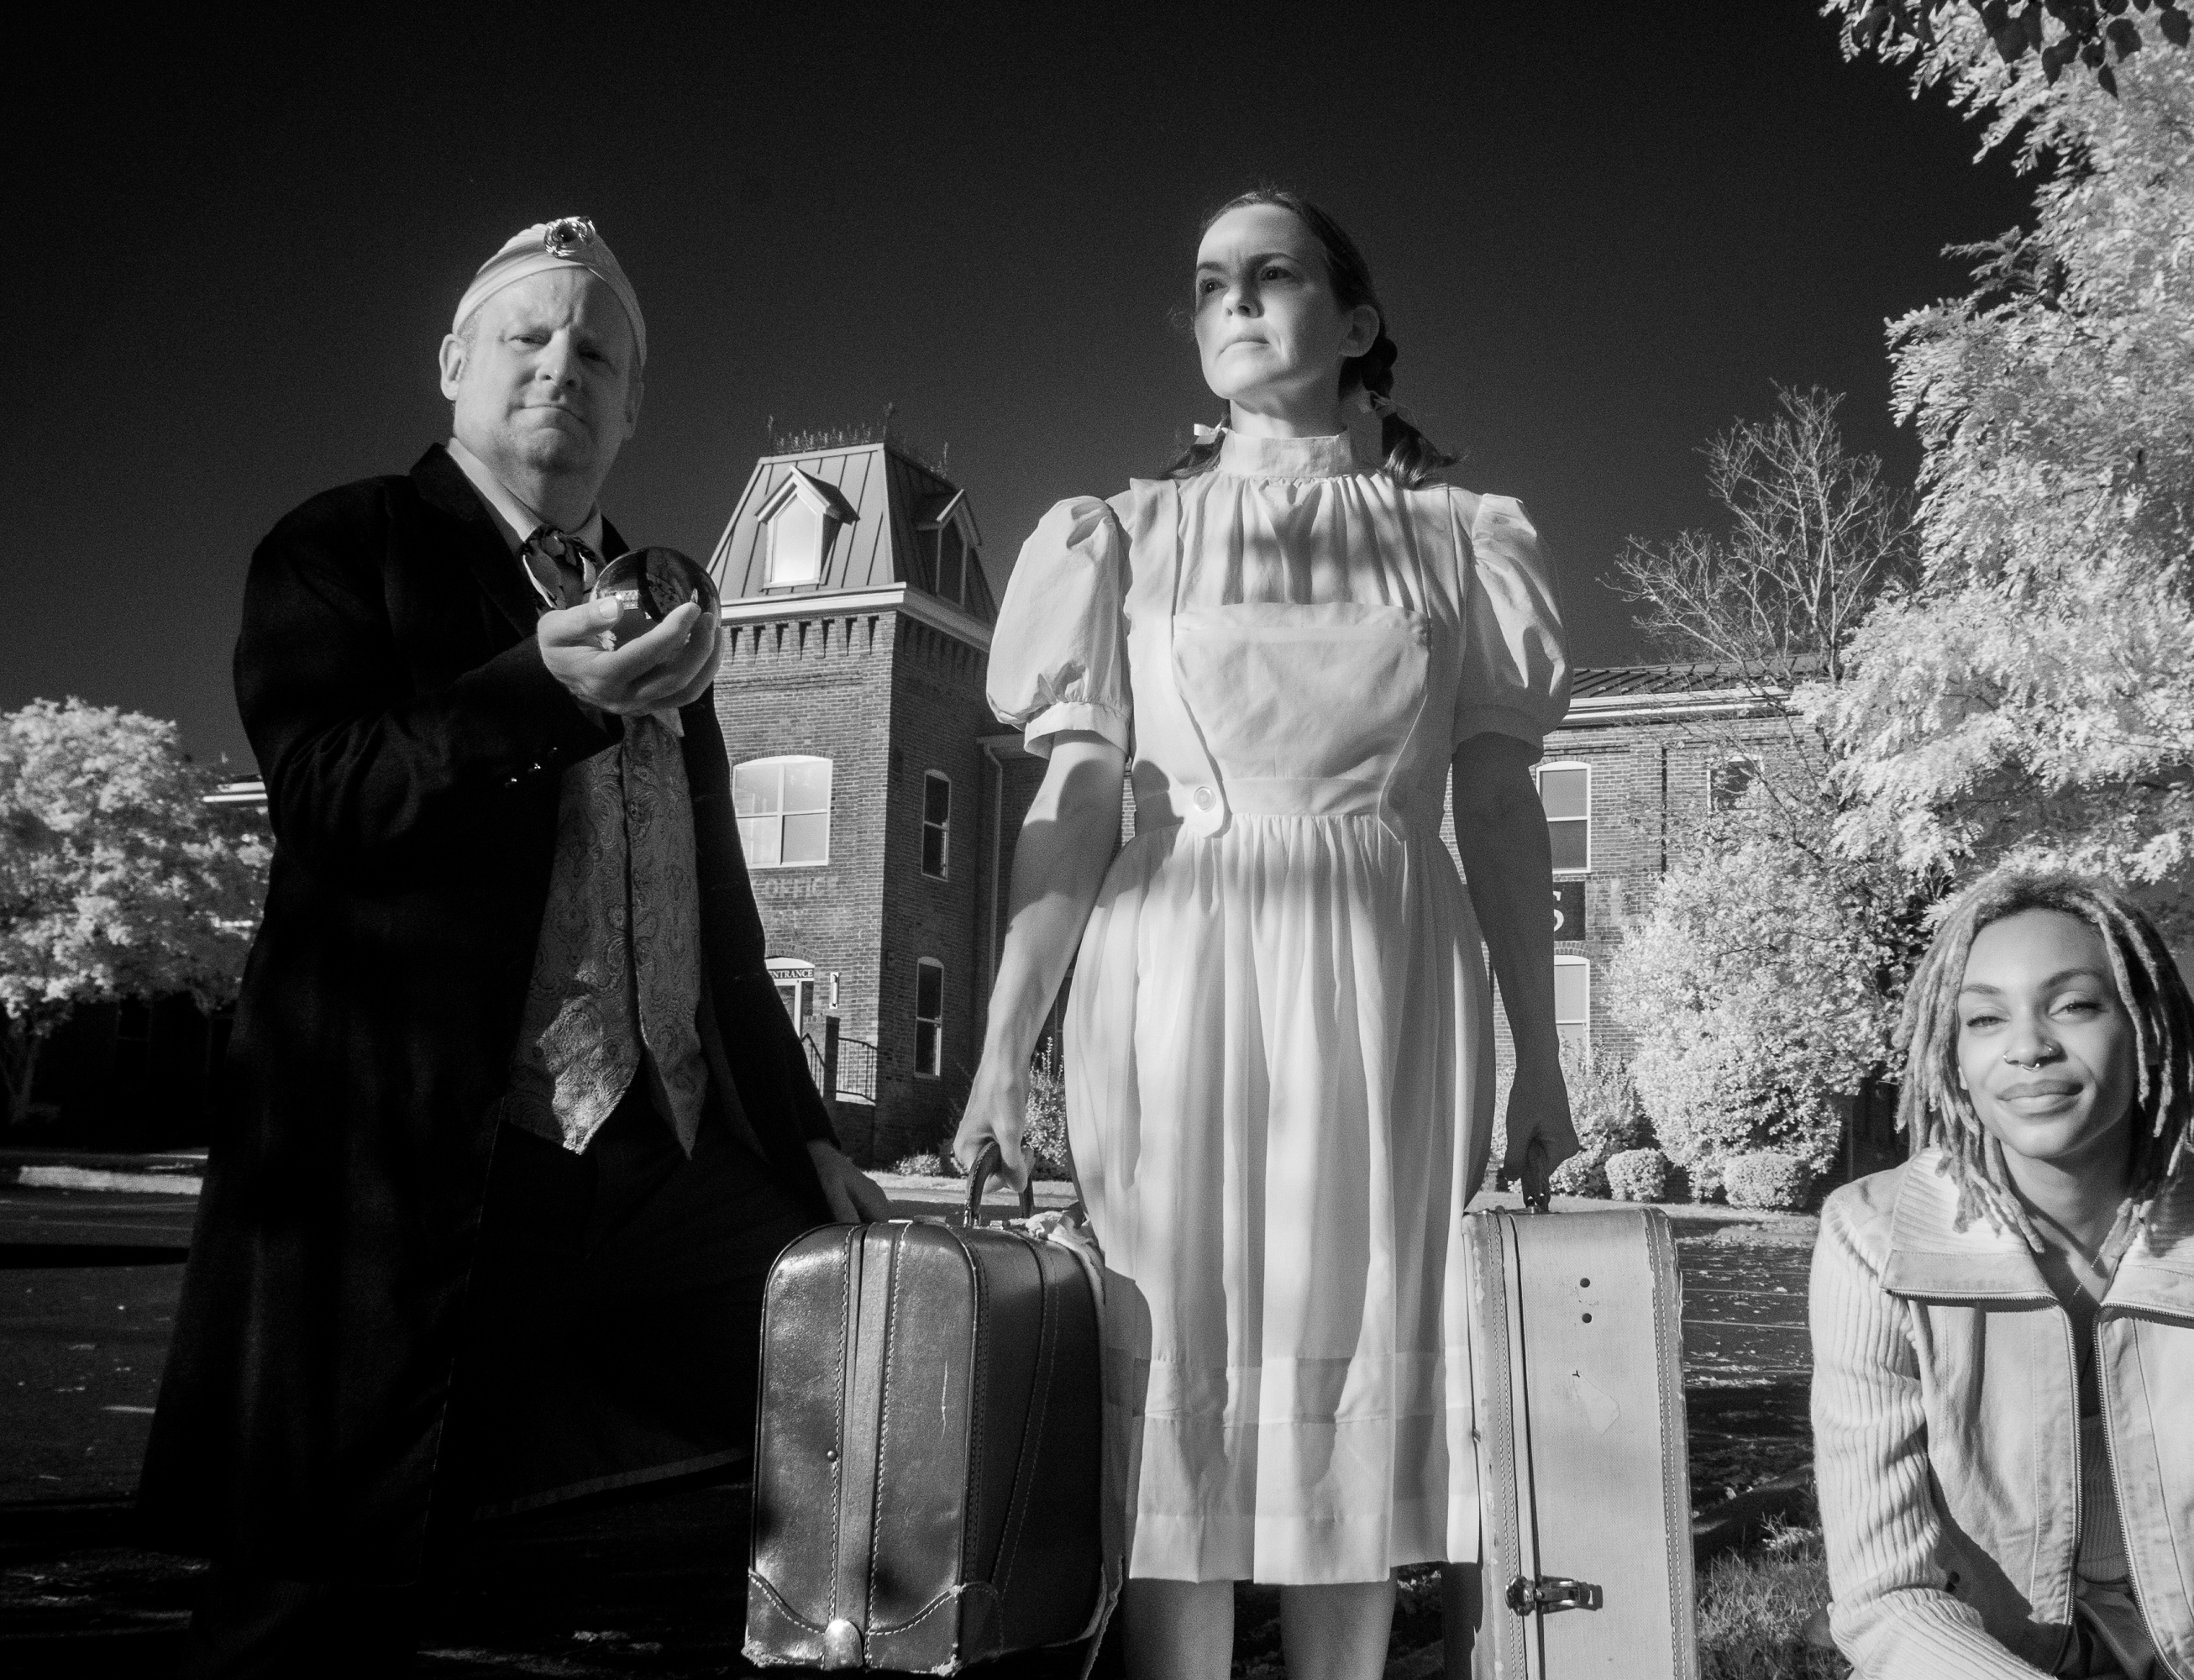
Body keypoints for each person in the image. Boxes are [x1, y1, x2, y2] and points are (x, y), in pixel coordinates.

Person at [140, 217, 887, 1679]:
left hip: (671, 1164)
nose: (563, 367)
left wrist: (801, 1138)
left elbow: (719, 914)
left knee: (859, 1403)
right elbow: (328, 798)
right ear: (452, 368)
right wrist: (529, 694)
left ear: (631, 403)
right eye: (527, 339)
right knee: (320, 1575)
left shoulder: (661, 595)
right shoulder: (345, 544)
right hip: (438, 1163)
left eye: (596, 351)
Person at [952, 189, 1578, 1680]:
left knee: (1345, 1382)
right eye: (1206, 282)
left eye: (1271, 274)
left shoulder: (1458, 541)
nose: (1232, 299)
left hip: (1384, 976)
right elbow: (1075, 803)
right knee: (1181, 1380)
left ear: (1353, 325)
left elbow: (1496, 817)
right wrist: (998, 1053)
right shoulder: (1122, 534)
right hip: (1172, 974)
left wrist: (1537, 1061)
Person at [1810, 869, 2194, 1678]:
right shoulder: (1871, 1238)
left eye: (2073, 1005)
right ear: (1955, 1055)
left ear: (2144, 1025)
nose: (2028, 1045)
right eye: (1984, 1017)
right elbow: (1889, 1597)